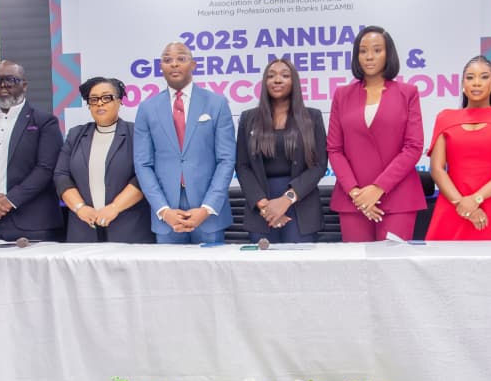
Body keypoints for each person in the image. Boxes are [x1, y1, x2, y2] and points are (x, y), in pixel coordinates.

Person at [327, 25, 424, 241]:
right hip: (353, 199)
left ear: (388, 54)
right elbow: (334, 149)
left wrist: (378, 188)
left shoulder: (408, 93)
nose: (369, 56)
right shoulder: (342, 95)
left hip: (399, 197)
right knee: (358, 271)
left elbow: (413, 147)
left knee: (392, 270)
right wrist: (356, 194)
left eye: (377, 50)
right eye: (363, 51)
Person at [133, 42, 236, 244]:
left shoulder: (216, 103)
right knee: (168, 276)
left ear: (194, 64)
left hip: (208, 215)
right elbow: (143, 164)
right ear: (160, 67)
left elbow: (226, 159)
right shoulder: (147, 108)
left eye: (181, 58)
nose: (174, 64)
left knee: (211, 275)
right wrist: (163, 210)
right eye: (167, 59)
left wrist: (207, 208)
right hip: (167, 216)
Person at [0, 60, 63, 241]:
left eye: (10, 80)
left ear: (24, 85)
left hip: (32, 222)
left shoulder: (44, 121)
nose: (3, 86)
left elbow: (45, 168)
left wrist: (10, 200)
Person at [425, 55, 491, 240]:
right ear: (463, 84)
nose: (477, 83)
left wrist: (475, 200)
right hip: (454, 206)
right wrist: (462, 205)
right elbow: (437, 169)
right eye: (470, 77)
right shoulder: (445, 118)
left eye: (484, 77)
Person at [235, 59, 327, 243]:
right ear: (264, 83)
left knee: (300, 268)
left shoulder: (312, 117)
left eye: (285, 75)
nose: (277, 80)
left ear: (294, 82)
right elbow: (242, 166)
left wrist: (286, 200)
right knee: (261, 270)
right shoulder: (248, 118)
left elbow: (319, 165)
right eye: (271, 76)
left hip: (301, 205)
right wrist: (265, 207)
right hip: (262, 210)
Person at [53, 77, 153, 243]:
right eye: (94, 99)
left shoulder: (136, 133)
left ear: (120, 101)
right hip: (83, 229)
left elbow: (144, 175)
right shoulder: (76, 134)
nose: (100, 103)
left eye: (106, 98)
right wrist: (80, 208)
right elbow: (61, 175)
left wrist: (114, 208)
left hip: (129, 228)